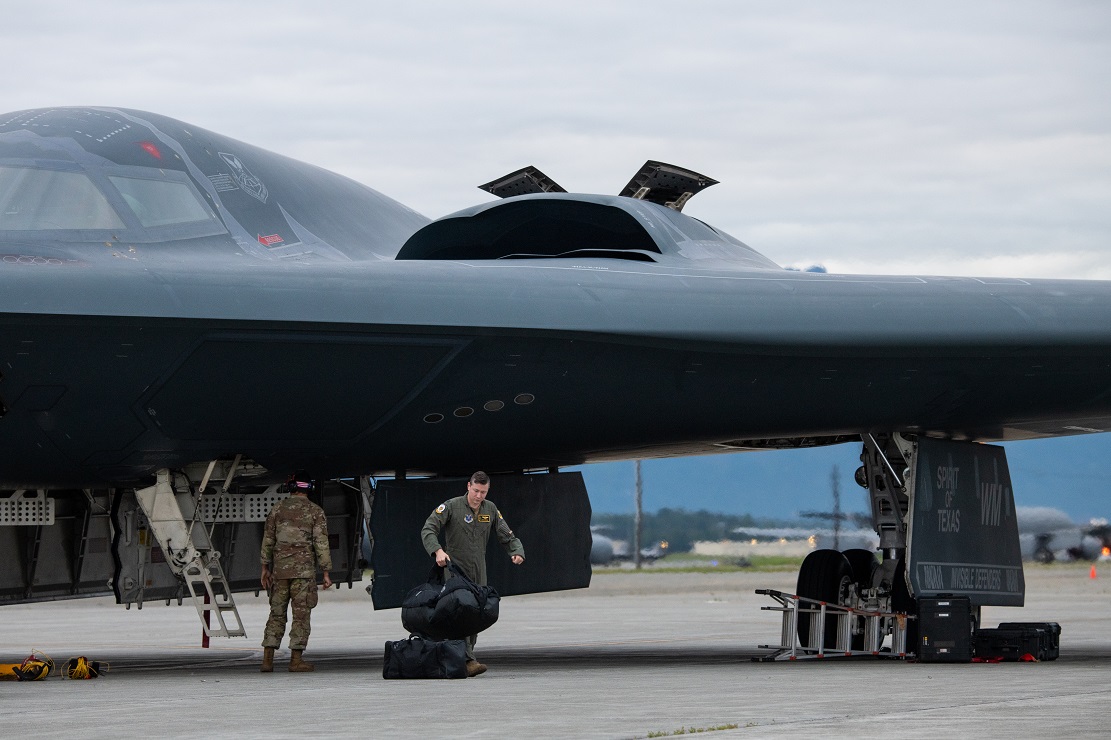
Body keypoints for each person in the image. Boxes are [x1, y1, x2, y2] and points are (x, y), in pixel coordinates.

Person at [421, 471, 525, 677]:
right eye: (476, 491)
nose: (478, 496)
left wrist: (516, 550)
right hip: (456, 570)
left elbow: (506, 533)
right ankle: (466, 659)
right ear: (468, 486)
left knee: (476, 612)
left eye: (483, 492)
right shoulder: (451, 506)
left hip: (479, 569)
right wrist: (438, 550)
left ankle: (466, 657)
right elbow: (428, 529)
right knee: (460, 611)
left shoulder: (490, 509)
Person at [259, 475, 332, 673]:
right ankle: (296, 660)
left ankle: (267, 660)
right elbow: (321, 543)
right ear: (309, 489)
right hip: (303, 573)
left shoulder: (277, 509)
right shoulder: (315, 511)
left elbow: (268, 539)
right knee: (301, 615)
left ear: (290, 488)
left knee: (276, 613)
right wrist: (326, 571)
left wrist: (265, 568)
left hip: (280, 572)